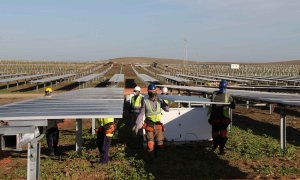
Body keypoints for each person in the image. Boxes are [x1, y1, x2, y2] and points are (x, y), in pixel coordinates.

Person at [134, 84, 169, 161]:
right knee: (150, 143)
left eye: (154, 91)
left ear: (156, 91)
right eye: (151, 91)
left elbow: (167, 109)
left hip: (158, 125)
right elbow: (141, 113)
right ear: (148, 92)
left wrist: (163, 100)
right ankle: (151, 159)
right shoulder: (145, 101)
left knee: (160, 143)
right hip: (149, 124)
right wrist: (137, 124)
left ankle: (158, 158)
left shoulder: (160, 100)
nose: (153, 93)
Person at [208, 80, 235, 155]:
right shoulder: (215, 94)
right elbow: (210, 102)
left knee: (221, 133)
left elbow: (233, 105)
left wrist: (230, 105)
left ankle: (220, 148)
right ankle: (217, 146)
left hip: (222, 117)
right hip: (216, 116)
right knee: (217, 133)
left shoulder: (227, 96)